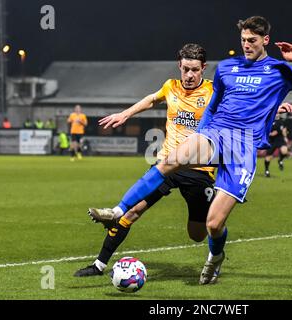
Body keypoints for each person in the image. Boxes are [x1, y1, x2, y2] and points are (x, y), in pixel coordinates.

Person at [87, 16, 292, 285]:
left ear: (265, 40)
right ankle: (117, 209)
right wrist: (200, 135)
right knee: (169, 160)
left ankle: (215, 258)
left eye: (252, 40)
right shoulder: (227, 67)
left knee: (213, 226)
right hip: (216, 133)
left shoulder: (280, 70)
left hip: (243, 147)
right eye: (243, 40)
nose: (246, 45)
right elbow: (214, 107)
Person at [74, 44, 216, 277]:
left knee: (198, 234)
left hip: (198, 168)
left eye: (195, 70)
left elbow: (242, 106)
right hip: (167, 164)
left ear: (204, 69)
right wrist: (124, 114)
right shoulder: (171, 86)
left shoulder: (214, 90)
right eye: (186, 69)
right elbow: (151, 100)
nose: (189, 75)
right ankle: (99, 265)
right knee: (131, 212)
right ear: (179, 66)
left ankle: (214, 248)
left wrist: (273, 108)